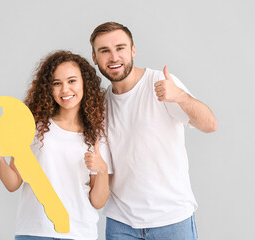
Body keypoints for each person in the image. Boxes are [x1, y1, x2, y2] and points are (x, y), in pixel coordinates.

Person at [89, 22, 217, 240]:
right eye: (104, 51)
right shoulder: (100, 105)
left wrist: (179, 96)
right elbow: (105, 172)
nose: (113, 57)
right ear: (95, 58)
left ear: (133, 50)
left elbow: (210, 125)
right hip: (121, 224)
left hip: (172, 220)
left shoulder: (160, 83)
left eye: (120, 48)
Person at [0, 50, 113, 240]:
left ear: (85, 83)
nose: (65, 90)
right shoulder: (34, 127)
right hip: (34, 231)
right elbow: (13, 183)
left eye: (72, 81)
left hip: (78, 233)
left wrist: (102, 169)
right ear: (48, 88)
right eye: (57, 83)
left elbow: (98, 202)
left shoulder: (97, 136)